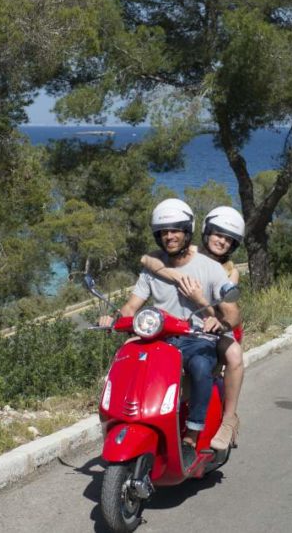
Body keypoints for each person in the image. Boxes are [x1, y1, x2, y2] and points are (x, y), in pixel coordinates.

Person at [100, 198, 239, 469]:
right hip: (159, 339)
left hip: (197, 339)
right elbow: (131, 305)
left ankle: (190, 436)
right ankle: (132, 423)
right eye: (163, 232)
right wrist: (113, 318)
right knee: (128, 364)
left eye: (175, 230)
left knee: (200, 367)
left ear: (187, 231)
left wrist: (218, 324)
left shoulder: (210, 268)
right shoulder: (153, 269)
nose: (169, 236)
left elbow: (233, 315)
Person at [140, 205, 245, 451]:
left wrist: (200, 300)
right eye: (218, 235)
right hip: (180, 328)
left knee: (234, 355)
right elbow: (147, 260)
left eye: (229, 240)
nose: (222, 242)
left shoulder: (231, 271)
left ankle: (229, 419)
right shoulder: (189, 251)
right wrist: (175, 277)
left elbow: (226, 313)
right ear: (207, 232)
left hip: (214, 326)